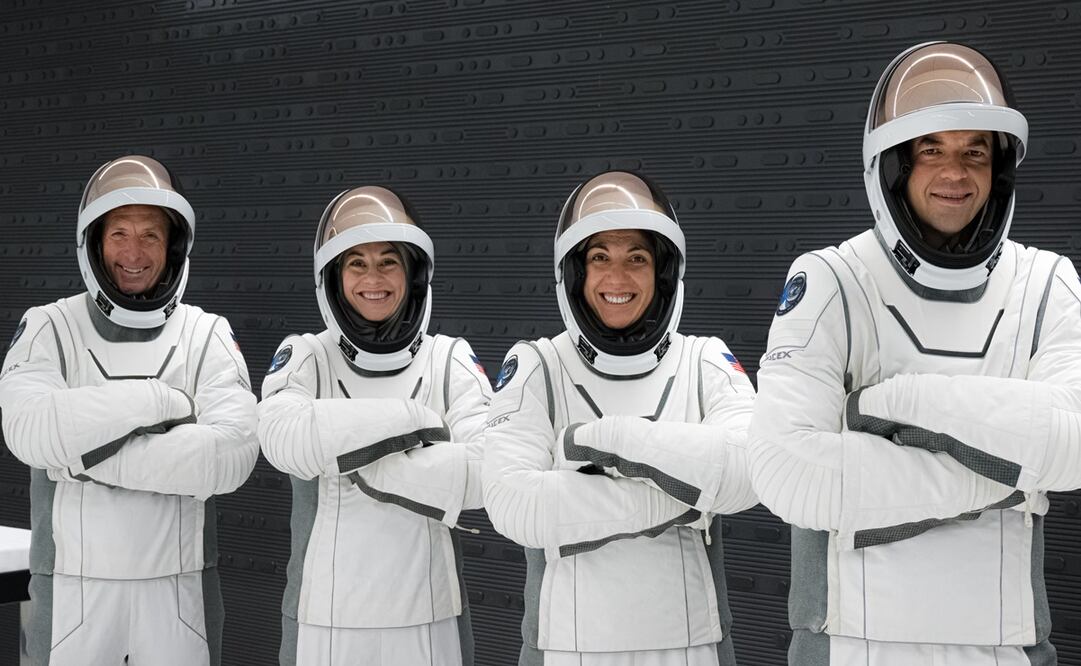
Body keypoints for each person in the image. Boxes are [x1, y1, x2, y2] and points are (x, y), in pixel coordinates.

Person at [749, 41, 1081, 665]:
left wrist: (895, 405)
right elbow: (787, 472)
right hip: (848, 648)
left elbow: (1076, 441)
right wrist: (1011, 477)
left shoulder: (1047, 283)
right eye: (932, 150)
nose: (954, 173)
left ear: (998, 168)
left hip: (1006, 649)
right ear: (894, 166)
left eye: (974, 152)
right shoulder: (832, 280)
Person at [482, 171, 757, 665]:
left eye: (637, 259)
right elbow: (514, 503)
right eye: (599, 258)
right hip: (565, 648)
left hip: (691, 646)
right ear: (575, 273)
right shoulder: (537, 365)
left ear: (663, 272)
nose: (617, 278)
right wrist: (687, 498)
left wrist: (606, 442)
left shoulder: (705, 359)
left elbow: (750, 471)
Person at [0, 155, 259, 666]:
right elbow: (30, 429)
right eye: (119, 233)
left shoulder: (206, 333)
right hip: (71, 594)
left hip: (181, 594)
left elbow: (231, 454)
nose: (134, 252)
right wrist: (163, 402)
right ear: (95, 242)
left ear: (174, 247)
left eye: (151, 236)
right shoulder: (49, 327)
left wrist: (77, 456)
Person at [258, 186, 492, 666]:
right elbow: (285, 440)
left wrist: (347, 453)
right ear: (333, 277)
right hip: (323, 619)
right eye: (356, 264)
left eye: (389, 262)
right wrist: (415, 423)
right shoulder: (307, 354)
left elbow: (487, 470)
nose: (374, 279)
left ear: (413, 274)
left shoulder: (449, 357)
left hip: (430, 618)